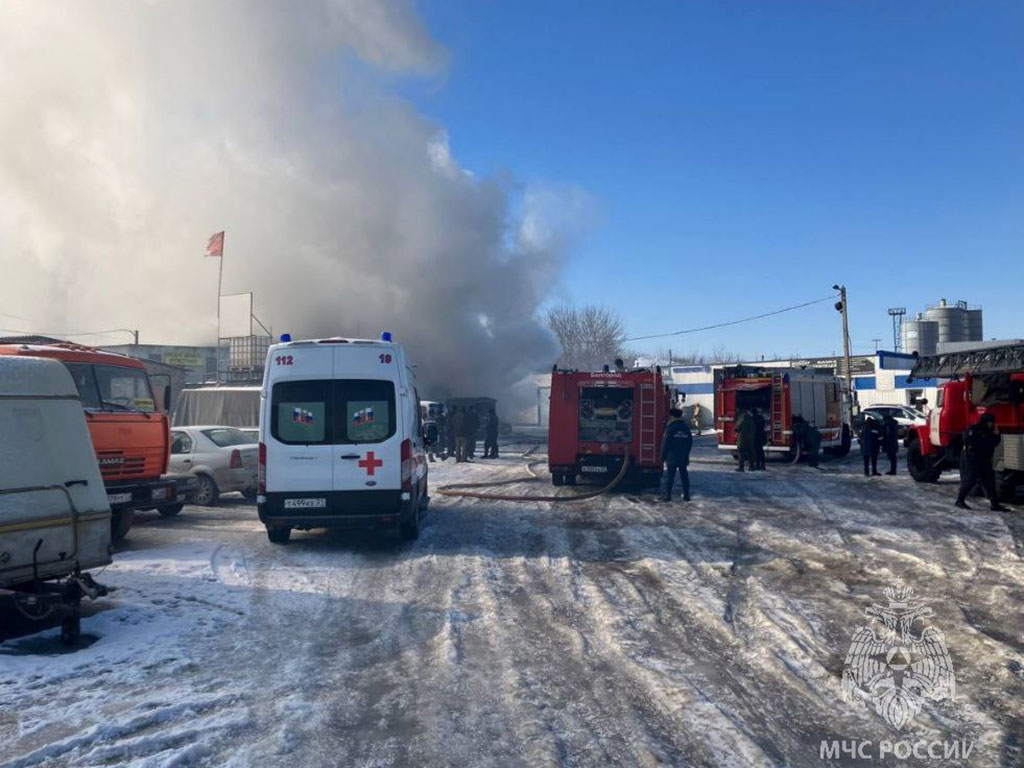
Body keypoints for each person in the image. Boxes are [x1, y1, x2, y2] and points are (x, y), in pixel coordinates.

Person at [955, 412, 1006, 511]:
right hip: (974, 459)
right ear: (985, 422)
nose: (991, 424)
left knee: (989, 482)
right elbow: (972, 442)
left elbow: (994, 443)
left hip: (985, 459)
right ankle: (960, 500)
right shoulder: (974, 429)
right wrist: (988, 439)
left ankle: (994, 504)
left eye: (992, 422)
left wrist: (997, 435)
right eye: (989, 422)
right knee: (970, 480)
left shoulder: (990, 431)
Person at [660, 408, 693, 501]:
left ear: (672, 416)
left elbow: (666, 443)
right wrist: (686, 452)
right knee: (684, 475)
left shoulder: (671, 428)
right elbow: (690, 442)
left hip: (672, 456)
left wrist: (662, 456)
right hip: (683, 455)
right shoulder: (685, 428)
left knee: (670, 476)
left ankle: (667, 495)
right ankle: (686, 495)